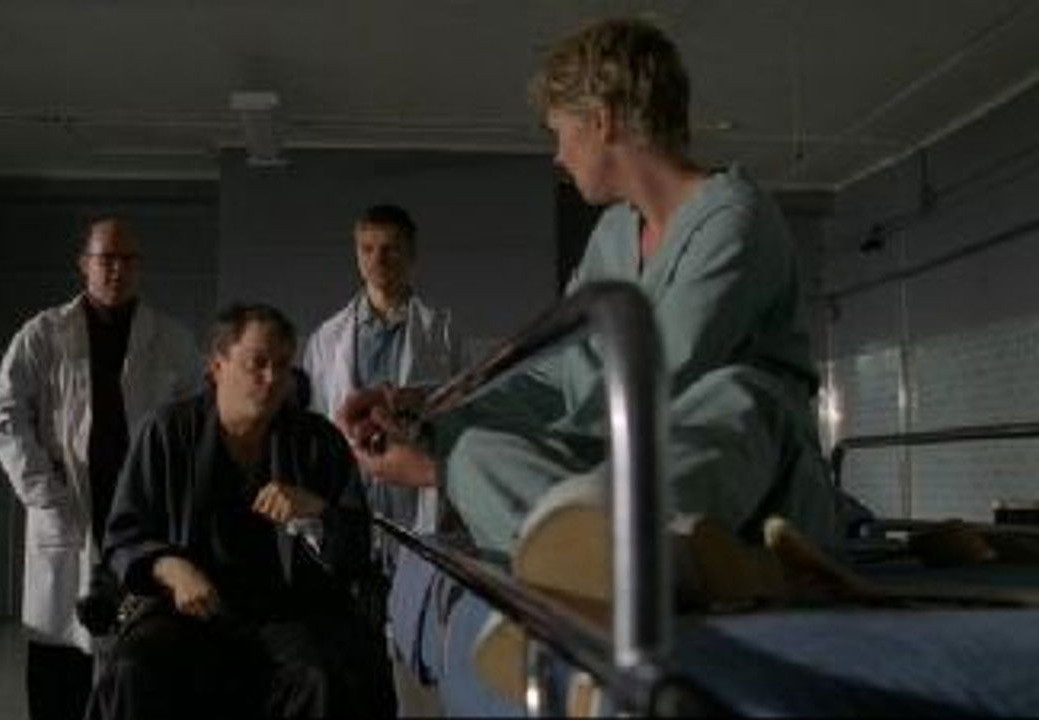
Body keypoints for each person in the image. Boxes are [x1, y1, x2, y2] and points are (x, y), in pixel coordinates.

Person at [337, 18, 838, 568]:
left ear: (602, 121)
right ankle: (608, 552)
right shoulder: (613, 235)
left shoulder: (735, 220)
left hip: (747, 490)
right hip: (627, 482)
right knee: (475, 449)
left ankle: (610, 548)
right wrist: (425, 411)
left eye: (560, 133)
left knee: (741, 393)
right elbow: (554, 376)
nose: (558, 156)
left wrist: (441, 469)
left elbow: (655, 381)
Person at [87, 304, 388, 719]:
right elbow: (122, 537)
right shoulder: (166, 433)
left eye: (282, 366)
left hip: (287, 609)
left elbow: (357, 547)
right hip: (183, 609)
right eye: (256, 364)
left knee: (321, 675)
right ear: (217, 366)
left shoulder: (318, 443)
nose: (272, 378)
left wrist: (317, 510)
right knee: (132, 671)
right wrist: (170, 567)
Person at [0, 217, 201, 720]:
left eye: (127, 259)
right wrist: (43, 491)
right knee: (60, 657)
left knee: (141, 657)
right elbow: (4, 416)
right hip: (69, 508)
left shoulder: (171, 338)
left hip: (141, 513)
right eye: (106, 259)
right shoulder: (43, 334)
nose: (117, 269)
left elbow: (196, 421)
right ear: (84, 264)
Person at [302, 204, 461, 537]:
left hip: (413, 491)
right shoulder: (326, 338)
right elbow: (315, 425)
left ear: (411, 255)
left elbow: (459, 412)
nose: (378, 260)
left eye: (390, 249)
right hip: (350, 490)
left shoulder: (442, 330)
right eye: (367, 249)